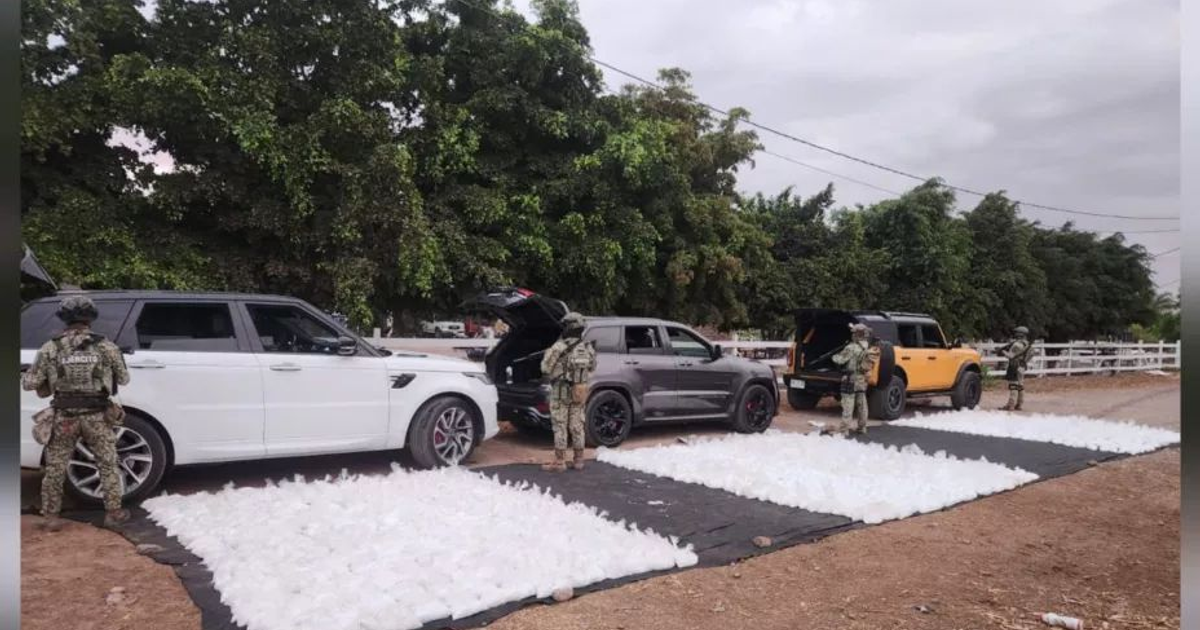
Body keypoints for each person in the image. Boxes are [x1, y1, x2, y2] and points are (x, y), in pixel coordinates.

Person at [22, 295, 131, 532]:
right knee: (108, 463)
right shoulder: (106, 346)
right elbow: (124, 378)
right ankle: (113, 513)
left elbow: (29, 384)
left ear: (63, 319)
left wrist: (29, 373)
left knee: (55, 466)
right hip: (97, 417)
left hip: (64, 417)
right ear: (91, 318)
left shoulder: (50, 348)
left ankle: (51, 518)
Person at [539, 312, 596, 472]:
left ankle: (560, 462)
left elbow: (545, 368)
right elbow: (592, 367)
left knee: (560, 425)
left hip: (560, 392)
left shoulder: (559, 347)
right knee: (577, 425)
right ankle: (579, 460)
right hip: (580, 392)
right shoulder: (587, 347)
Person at [827, 323, 878, 435]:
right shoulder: (867, 347)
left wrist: (833, 356)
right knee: (862, 405)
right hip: (862, 380)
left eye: (853, 333)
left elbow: (839, 360)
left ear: (856, 334)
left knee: (848, 405)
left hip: (850, 379)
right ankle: (862, 427)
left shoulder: (851, 348)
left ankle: (844, 430)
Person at [1000, 326, 1033, 411]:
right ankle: (1019, 404)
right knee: (1020, 385)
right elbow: (1031, 355)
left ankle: (1011, 405)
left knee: (1013, 385)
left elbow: (1010, 356)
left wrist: (1002, 351)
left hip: (1014, 366)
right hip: (1022, 366)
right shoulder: (1028, 344)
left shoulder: (1016, 345)